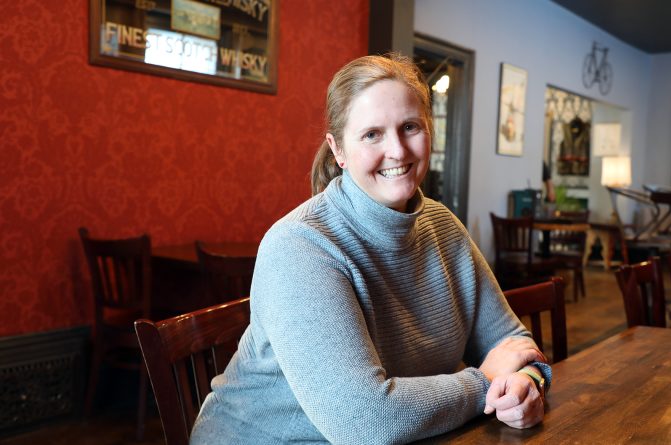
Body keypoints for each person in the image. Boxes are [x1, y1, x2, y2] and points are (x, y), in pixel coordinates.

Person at [190, 54, 551, 444]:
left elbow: (513, 342)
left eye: (410, 126)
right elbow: (364, 422)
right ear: (338, 150)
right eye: (372, 134)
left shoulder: (443, 226)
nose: (397, 150)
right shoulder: (300, 246)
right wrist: (484, 382)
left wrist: (523, 385)